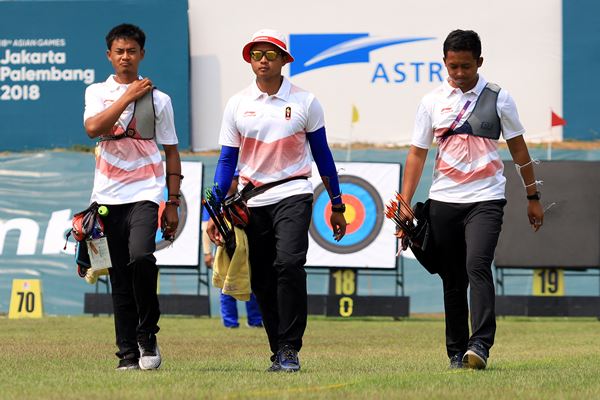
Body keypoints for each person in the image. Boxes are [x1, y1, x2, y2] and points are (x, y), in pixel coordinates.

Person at [399, 29, 544, 370]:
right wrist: (406, 203)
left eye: (466, 66)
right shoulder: (431, 101)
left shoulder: (499, 98)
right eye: (453, 67)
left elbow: (519, 148)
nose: (460, 73)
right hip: (444, 201)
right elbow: (417, 154)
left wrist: (533, 195)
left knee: (476, 265)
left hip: (486, 199)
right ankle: (455, 350)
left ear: (479, 62)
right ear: (445, 63)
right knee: (452, 277)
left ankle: (480, 344)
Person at [206, 28, 347, 372]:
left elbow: (323, 156)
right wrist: (214, 207)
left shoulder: (305, 101)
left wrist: (338, 204)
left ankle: (290, 348)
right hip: (251, 202)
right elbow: (227, 162)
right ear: (250, 61)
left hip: (294, 193)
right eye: (257, 54)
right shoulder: (237, 104)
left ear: (285, 60)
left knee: (288, 265)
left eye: (271, 54)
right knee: (262, 279)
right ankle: (278, 349)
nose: (263, 60)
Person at [82, 23, 182, 370]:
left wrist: (172, 201)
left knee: (140, 257)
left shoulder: (159, 99)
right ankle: (126, 354)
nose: (126, 57)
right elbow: (94, 128)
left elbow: (171, 150)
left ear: (142, 55)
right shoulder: (96, 92)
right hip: (107, 194)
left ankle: (147, 334)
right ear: (109, 55)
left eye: (132, 51)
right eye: (119, 51)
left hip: (146, 192)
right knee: (118, 275)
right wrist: (127, 96)